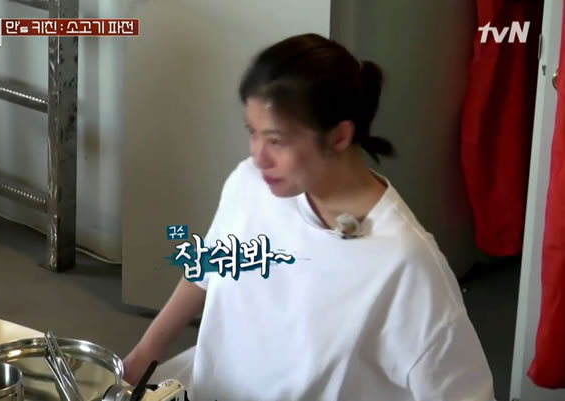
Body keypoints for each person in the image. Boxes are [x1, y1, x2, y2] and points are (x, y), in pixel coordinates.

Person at [123, 33, 496, 401]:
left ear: (338, 137)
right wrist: (140, 358)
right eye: (252, 133)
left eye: (275, 140)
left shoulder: (405, 263)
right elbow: (206, 270)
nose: (258, 156)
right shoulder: (249, 184)